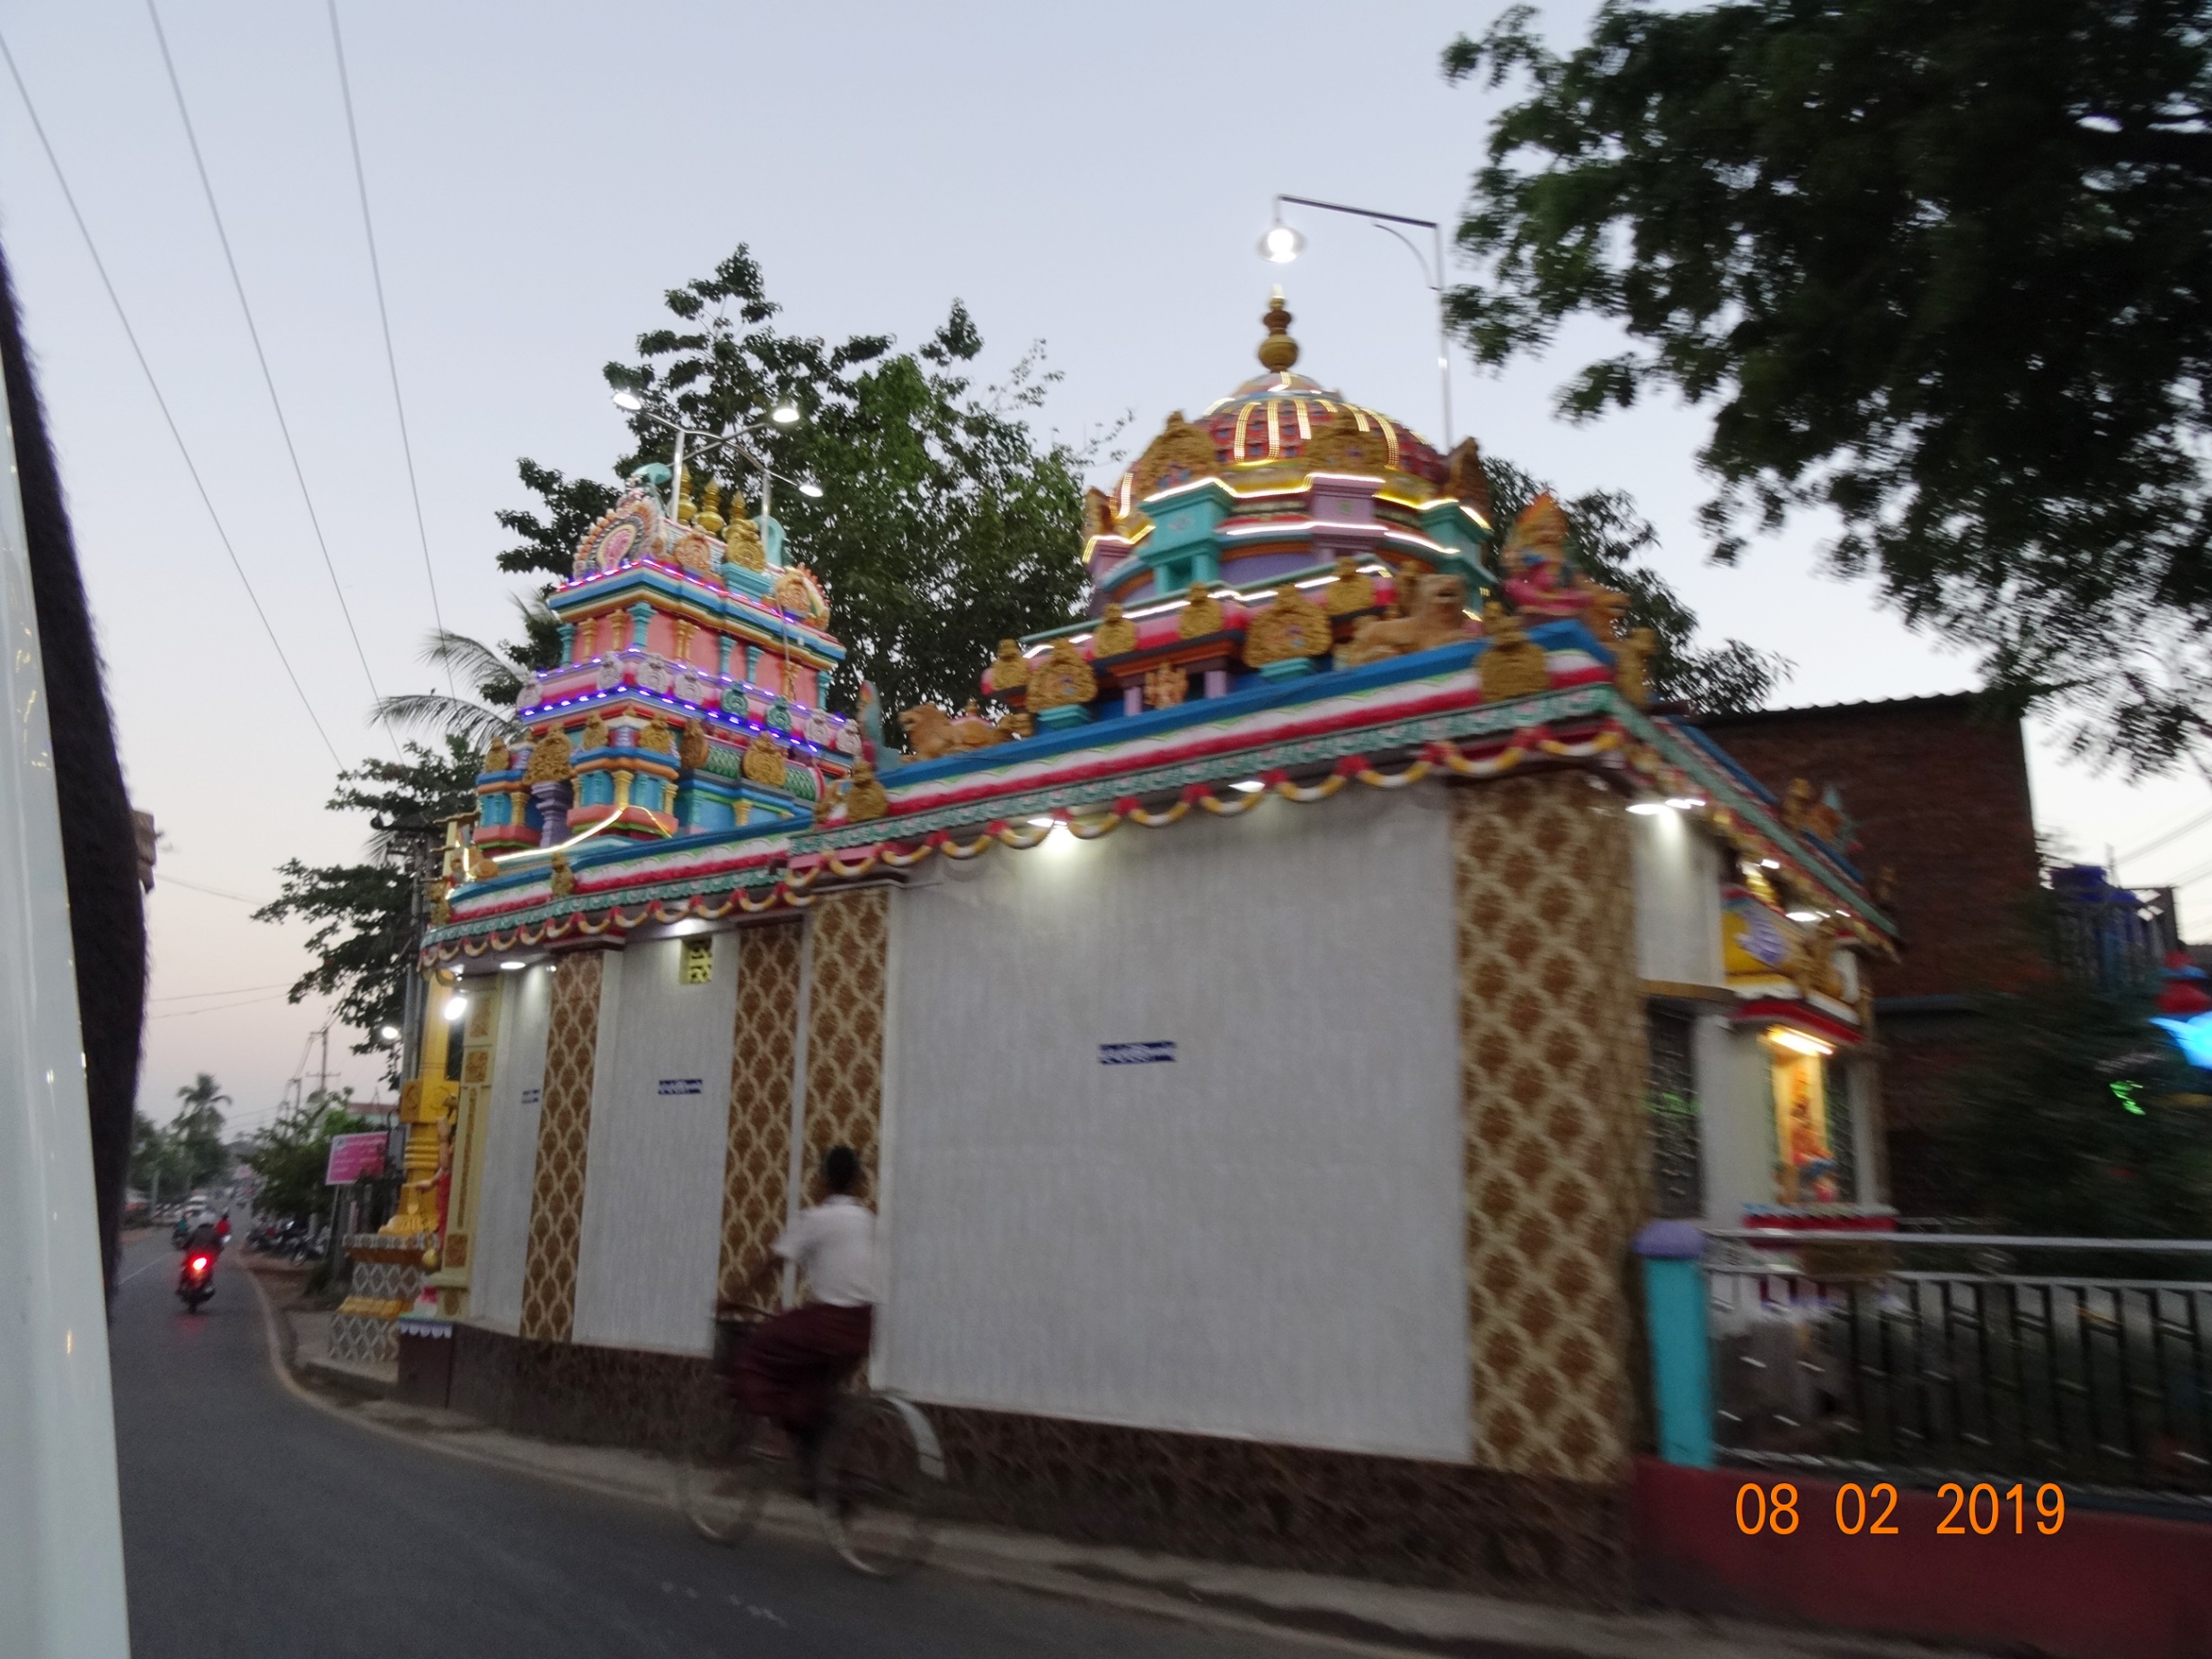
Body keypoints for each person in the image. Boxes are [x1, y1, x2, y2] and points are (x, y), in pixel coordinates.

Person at [726, 1145, 877, 1481]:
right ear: (857, 1182)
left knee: (757, 1348)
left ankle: (775, 1436)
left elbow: (774, 1263)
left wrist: (735, 1298)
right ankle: (821, 1477)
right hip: (862, 1329)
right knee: (812, 1384)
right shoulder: (867, 1220)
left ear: (823, 1180)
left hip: (829, 1324)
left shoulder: (816, 1220)